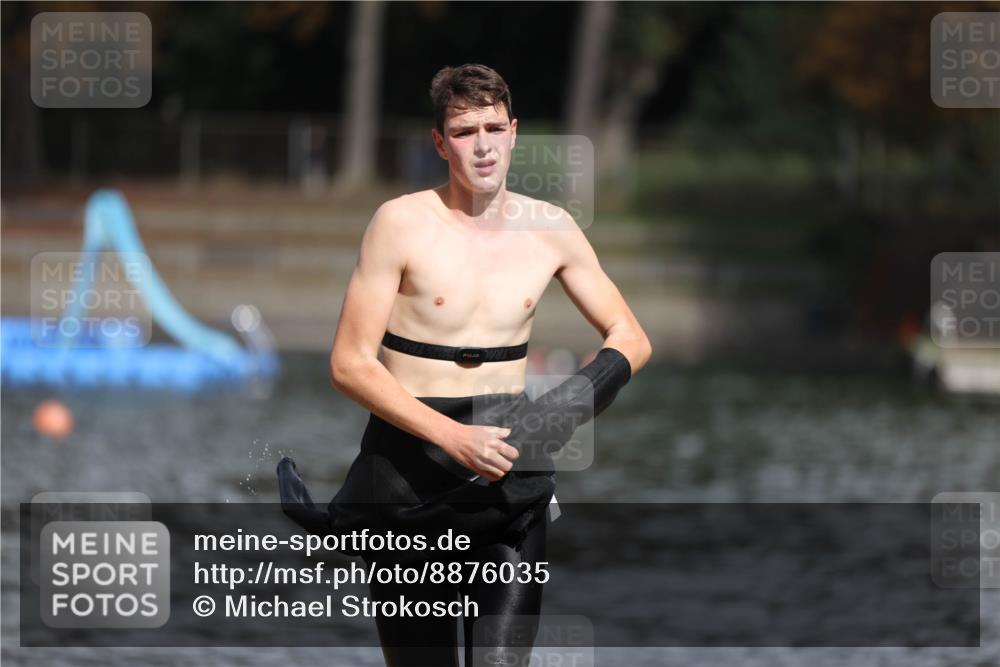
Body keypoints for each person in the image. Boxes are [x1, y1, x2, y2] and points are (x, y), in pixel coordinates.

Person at [278, 63, 651, 667]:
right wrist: (452, 436)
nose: (482, 145)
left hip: (508, 489)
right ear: (439, 141)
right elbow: (349, 364)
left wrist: (563, 407)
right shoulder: (398, 223)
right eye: (463, 130)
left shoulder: (552, 229)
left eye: (493, 128)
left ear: (513, 133)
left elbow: (631, 337)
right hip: (407, 485)